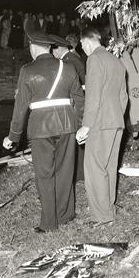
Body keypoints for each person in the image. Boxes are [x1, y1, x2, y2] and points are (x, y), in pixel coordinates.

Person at [2, 30, 84, 233]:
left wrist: (13, 136)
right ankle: (66, 215)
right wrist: (83, 124)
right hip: (67, 125)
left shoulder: (27, 70)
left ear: (34, 47)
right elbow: (80, 100)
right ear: (49, 47)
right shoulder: (68, 67)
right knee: (65, 171)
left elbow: (20, 108)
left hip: (40, 128)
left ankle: (49, 223)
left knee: (45, 175)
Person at [76, 27, 128, 225]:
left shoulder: (95, 59)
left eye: (82, 45)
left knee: (94, 169)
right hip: (116, 122)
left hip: (99, 122)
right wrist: (116, 116)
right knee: (109, 167)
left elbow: (93, 96)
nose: (82, 48)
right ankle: (109, 210)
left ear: (87, 41)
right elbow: (123, 96)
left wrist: (86, 126)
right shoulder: (116, 61)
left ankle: (102, 216)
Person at [50, 34, 87, 183]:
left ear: (58, 49)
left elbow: (75, 87)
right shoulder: (71, 59)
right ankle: (78, 173)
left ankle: (78, 174)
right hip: (76, 104)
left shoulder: (69, 62)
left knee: (75, 141)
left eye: (53, 49)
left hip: (74, 106)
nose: (52, 53)